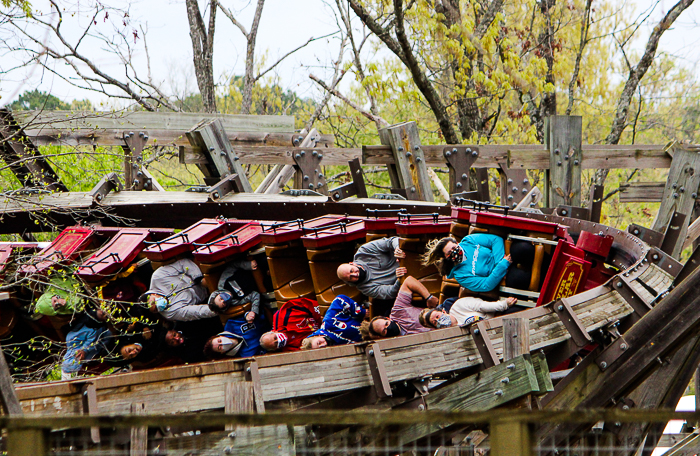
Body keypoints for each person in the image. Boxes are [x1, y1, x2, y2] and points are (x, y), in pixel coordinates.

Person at [421, 234, 513, 293]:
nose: (454, 252)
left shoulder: (469, 240)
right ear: (446, 257)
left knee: (520, 249)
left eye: (454, 247)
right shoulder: (460, 276)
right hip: (503, 277)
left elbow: (496, 240)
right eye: (449, 253)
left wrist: (499, 263)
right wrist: (501, 267)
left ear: (457, 243)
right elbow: (485, 285)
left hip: (505, 259)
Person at [359, 276, 438, 340]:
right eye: (384, 331)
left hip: (441, 315)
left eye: (386, 324)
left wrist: (429, 297)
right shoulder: (398, 344)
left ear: (388, 318)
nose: (388, 328)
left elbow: (408, 281)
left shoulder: (398, 311)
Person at [142, 258, 215, 322]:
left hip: (200, 271)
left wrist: (199, 279)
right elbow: (197, 312)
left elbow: (183, 263)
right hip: (209, 294)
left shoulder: (157, 277)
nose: (158, 305)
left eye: (154, 302)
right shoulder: (170, 313)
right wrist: (217, 308)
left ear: (153, 294)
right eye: (155, 309)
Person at [336, 237, 406, 300]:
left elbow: (391, 241)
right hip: (406, 279)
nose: (355, 274)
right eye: (351, 277)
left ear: (352, 263)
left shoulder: (365, 251)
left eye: (352, 271)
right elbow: (390, 293)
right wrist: (399, 279)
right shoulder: (366, 289)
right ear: (349, 282)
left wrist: (397, 248)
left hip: (406, 253)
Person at [300, 295, 367, 350]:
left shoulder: (329, 323)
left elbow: (340, 299)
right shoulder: (335, 349)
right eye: (322, 348)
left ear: (317, 336)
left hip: (367, 321)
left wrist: (360, 312)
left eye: (319, 343)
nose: (324, 344)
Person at [418, 296, 518, 329]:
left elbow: (483, 306)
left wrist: (505, 304)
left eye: (437, 316)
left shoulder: (459, 305)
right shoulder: (452, 333)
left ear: (443, 311)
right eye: (435, 322)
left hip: (497, 317)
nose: (438, 320)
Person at [203, 311, 270, 358]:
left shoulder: (231, 324)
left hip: (268, 314)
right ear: (222, 352)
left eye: (219, 341)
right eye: (220, 347)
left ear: (220, 336)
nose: (223, 343)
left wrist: (247, 314)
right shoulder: (246, 355)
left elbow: (246, 311)